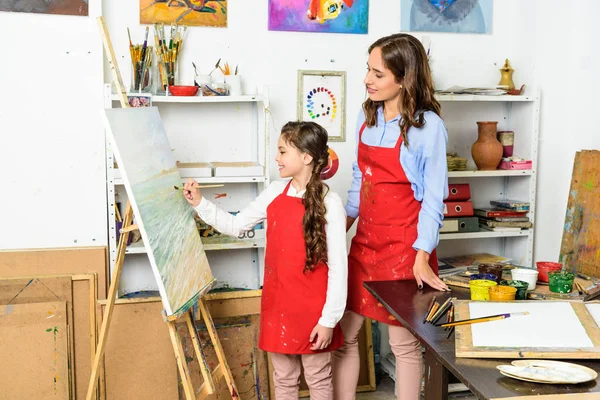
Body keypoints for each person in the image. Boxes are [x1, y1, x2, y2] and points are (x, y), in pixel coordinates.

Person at [183, 121, 348, 400]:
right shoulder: (274, 191)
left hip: (314, 313)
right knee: (283, 379)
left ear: (306, 157)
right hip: (278, 306)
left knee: (318, 379)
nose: (276, 158)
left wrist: (328, 321)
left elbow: (338, 269)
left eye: (283, 152)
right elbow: (236, 226)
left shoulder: (331, 203)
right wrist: (200, 203)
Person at [332, 33, 450, 400]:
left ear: (404, 78)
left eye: (377, 73)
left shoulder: (428, 127)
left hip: (405, 249)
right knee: (344, 335)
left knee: (404, 345)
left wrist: (421, 256)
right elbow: (358, 180)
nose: (367, 79)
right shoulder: (367, 116)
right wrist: (337, 232)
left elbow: (434, 200)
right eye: (368, 69)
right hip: (365, 243)